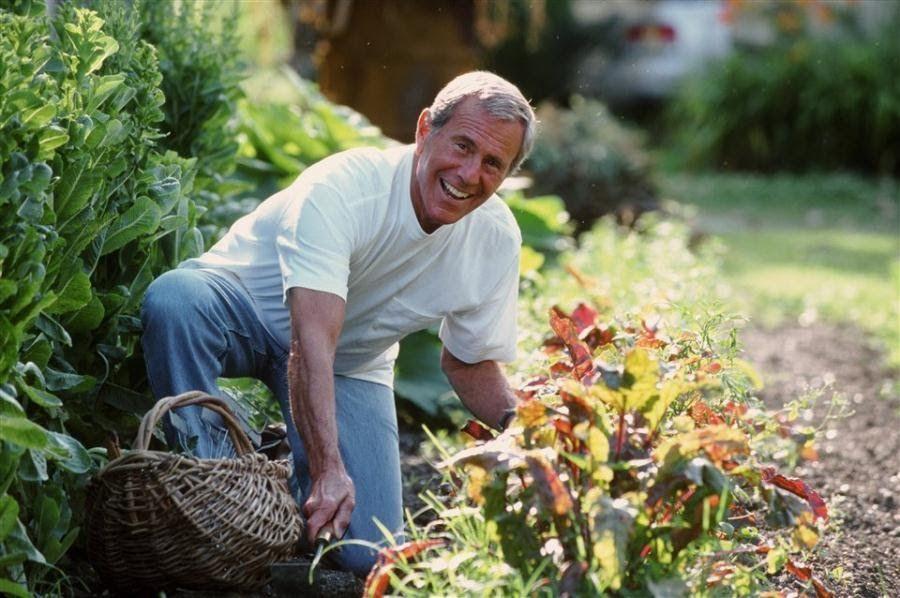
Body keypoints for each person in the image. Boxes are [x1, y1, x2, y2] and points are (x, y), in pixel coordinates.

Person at [140, 71, 536, 575]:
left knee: (363, 554)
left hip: (349, 362)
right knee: (175, 301)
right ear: (423, 131)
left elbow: (468, 362)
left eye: (492, 164)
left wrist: (534, 435)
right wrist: (329, 470)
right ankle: (216, 484)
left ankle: (278, 460)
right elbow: (309, 345)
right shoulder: (347, 187)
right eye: (461, 145)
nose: (468, 173)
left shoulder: (495, 238)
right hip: (242, 310)